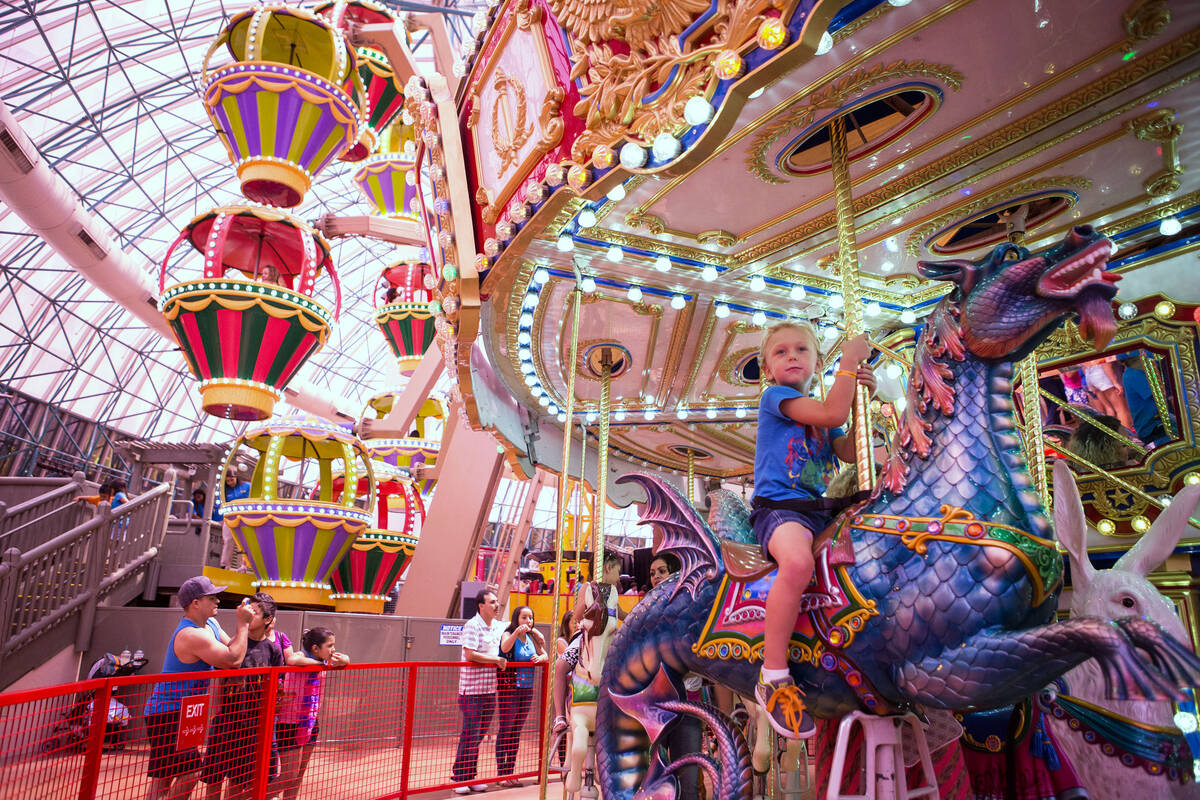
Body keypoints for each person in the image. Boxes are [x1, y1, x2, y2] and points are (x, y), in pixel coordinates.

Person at [751, 321, 874, 739]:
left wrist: (863, 399)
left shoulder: (822, 413)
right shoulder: (777, 398)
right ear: (768, 369)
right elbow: (831, 412)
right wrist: (850, 363)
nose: (791, 357)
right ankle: (772, 673)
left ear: (815, 363)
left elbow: (849, 448)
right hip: (780, 511)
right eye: (781, 352)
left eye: (801, 350)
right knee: (799, 563)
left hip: (819, 512)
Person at [142, 577, 252, 800]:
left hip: (184, 712)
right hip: (168, 712)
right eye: (211, 598)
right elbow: (232, 659)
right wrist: (244, 625)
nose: (218, 601)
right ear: (195, 603)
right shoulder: (192, 634)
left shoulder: (210, 625)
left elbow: (230, 646)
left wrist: (247, 629)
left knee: (164, 776)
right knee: (191, 771)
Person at [200, 592, 285, 800]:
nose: (248, 614)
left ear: (268, 620)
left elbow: (277, 685)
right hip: (225, 722)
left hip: (252, 726)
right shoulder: (234, 645)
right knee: (214, 779)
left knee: (238, 782)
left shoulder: (273, 650)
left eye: (254, 612)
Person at [274, 627, 349, 800]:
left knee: (298, 776)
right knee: (288, 777)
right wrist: (321, 664)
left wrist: (338, 660)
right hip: (289, 724)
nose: (333, 650)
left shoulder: (324, 660)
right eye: (330, 646)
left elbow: (346, 659)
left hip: (310, 723)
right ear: (315, 648)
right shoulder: (302, 657)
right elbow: (292, 659)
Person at [451, 588, 507, 794]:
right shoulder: (472, 626)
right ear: (481, 605)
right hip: (471, 692)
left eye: (496, 602)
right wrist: (496, 660)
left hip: (489, 690)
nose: (496, 605)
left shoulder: (497, 627)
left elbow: (517, 626)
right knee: (470, 734)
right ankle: (459, 777)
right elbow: (470, 654)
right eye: (492, 602)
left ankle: (470, 775)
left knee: (479, 735)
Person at [496, 606, 548, 786]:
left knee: (516, 731)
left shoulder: (532, 637)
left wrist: (541, 658)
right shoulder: (507, 633)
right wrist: (515, 632)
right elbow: (504, 647)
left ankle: (510, 772)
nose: (528, 621)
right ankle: (501, 774)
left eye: (531, 618)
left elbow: (545, 655)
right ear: (516, 618)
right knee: (506, 728)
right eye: (524, 617)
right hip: (510, 688)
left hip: (527, 689)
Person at [214, 471, 252, 570]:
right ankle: (225, 565)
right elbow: (220, 504)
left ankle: (243, 565)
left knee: (244, 542)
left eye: (232, 480)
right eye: (227, 481)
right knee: (228, 540)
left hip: (245, 517)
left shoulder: (247, 486)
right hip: (229, 518)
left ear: (236, 477)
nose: (230, 482)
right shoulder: (224, 491)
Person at [600, 553, 627, 621]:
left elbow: (622, 614)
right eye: (618, 571)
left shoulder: (611, 595)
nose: (618, 578)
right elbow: (577, 616)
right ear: (608, 567)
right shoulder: (589, 588)